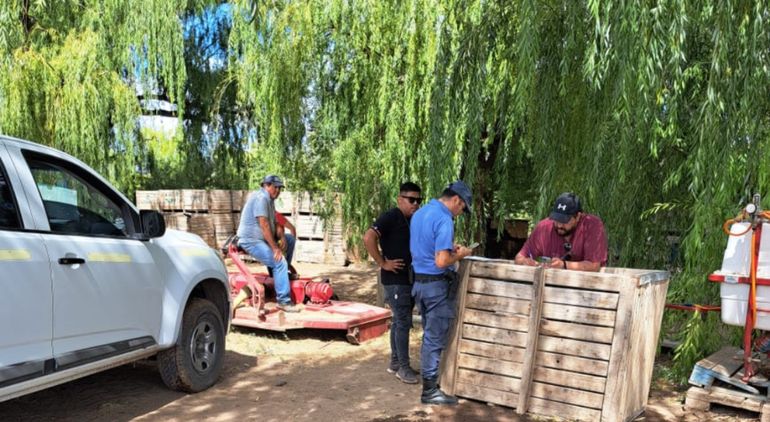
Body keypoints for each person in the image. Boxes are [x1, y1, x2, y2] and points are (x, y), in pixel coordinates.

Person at [410, 180, 474, 405]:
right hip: (436, 287)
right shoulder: (444, 218)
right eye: (462, 208)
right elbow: (441, 261)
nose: (460, 213)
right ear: (456, 200)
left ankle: (430, 383)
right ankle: (429, 391)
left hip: (419, 284)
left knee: (429, 334)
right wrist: (461, 254)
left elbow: (427, 248)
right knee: (434, 338)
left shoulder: (420, 213)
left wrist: (448, 249)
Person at [363, 182, 423, 385]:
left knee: (399, 321)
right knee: (403, 322)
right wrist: (382, 262)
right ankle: (403, 368)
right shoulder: (391, 216)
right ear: (400, 199)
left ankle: (396, 363)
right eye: (411, 200)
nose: (415, 204)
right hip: (395, 280)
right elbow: (368, 237)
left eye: (419, 200)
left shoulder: (411, 220)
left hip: (407, 278)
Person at [236, 175, 300, 312]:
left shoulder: (270, 201)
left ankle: (279, 275)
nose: (278, 191)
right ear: (266, 185)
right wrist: (275, 248)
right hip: (250, 240)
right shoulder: (261, 198)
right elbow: (264, 225)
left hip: (261, 239)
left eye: (280, 188)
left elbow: (275, 223)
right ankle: (283, 301)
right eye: (275, 187)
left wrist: (281, 236)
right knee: (279, 262)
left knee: (289, 239)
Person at [514, 192, 607, 272]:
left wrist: (564, 265)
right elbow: (519, 257)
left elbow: (594, 266)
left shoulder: (592, 225)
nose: (559, 225)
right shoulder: (544, 227)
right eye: (557, 219)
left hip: (586, 285)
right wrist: (525, 262)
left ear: (578, 216)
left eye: (564, 221)